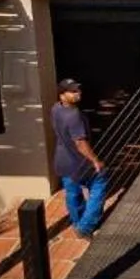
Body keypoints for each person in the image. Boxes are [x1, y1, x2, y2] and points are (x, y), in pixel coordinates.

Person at [51, 78, 107, 239]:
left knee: (72, 193)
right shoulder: (74, 115)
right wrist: (95, 161)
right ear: (62, 95)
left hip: (62, 160)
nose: (78, 93)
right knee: (100, 182)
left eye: (78, 90)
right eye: (73, 91)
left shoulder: (55, 109)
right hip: (78, 162)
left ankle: (78, 223)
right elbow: (80, 143)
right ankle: (85, 226)